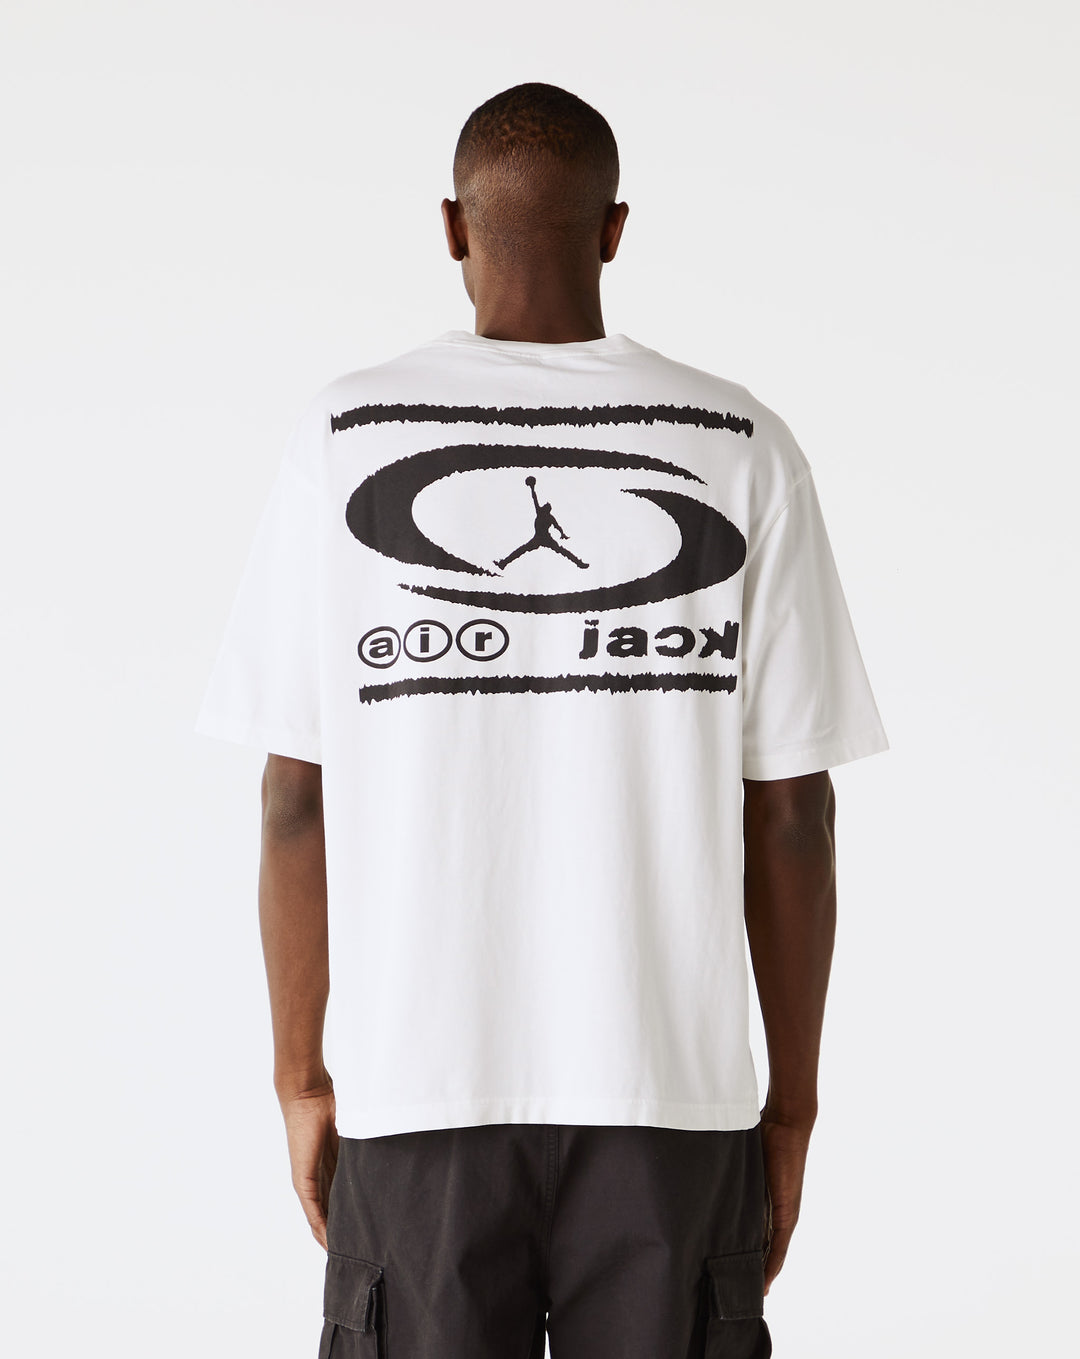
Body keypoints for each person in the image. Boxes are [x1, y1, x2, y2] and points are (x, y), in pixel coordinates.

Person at [194, 80, 888, 1359]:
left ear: (453, 226)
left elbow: (295, 799)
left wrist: (301, 1078)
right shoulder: (740, 443)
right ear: (614, 229)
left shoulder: (343, 438)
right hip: (669, 1097)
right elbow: (794, 817)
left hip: (420, 1092)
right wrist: (789, 1109)